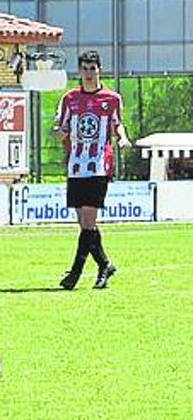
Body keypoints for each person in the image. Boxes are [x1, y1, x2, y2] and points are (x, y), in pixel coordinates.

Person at [54, 50, 131, 290]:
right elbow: (60, 125)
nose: (89, 73)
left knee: (88, 222)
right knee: (85, 225)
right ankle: (105, 265)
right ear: (80, 71)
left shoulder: (111, 98)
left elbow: (118, 124)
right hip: (75, 166)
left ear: (99, 70)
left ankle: (74, 275)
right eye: (85, 69)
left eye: (93, 69)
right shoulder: (69, 98)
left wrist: (123, 139)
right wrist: (58, 133)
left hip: (98, 165)